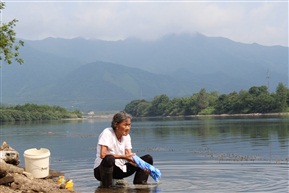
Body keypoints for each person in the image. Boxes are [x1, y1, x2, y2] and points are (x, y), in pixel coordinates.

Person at [93, 111, 153, 188]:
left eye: (129, 125)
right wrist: (124, 157)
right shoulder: (107, 132)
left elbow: (129, 157)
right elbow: (103, 154)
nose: (128, 128)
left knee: (148, 159)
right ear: (116, 124)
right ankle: (107, 188)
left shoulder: (127, 136)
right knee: (109, 158)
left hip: (119, 170)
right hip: (102, 171)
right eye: (125, 125)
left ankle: (140, 186)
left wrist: (142, 165)